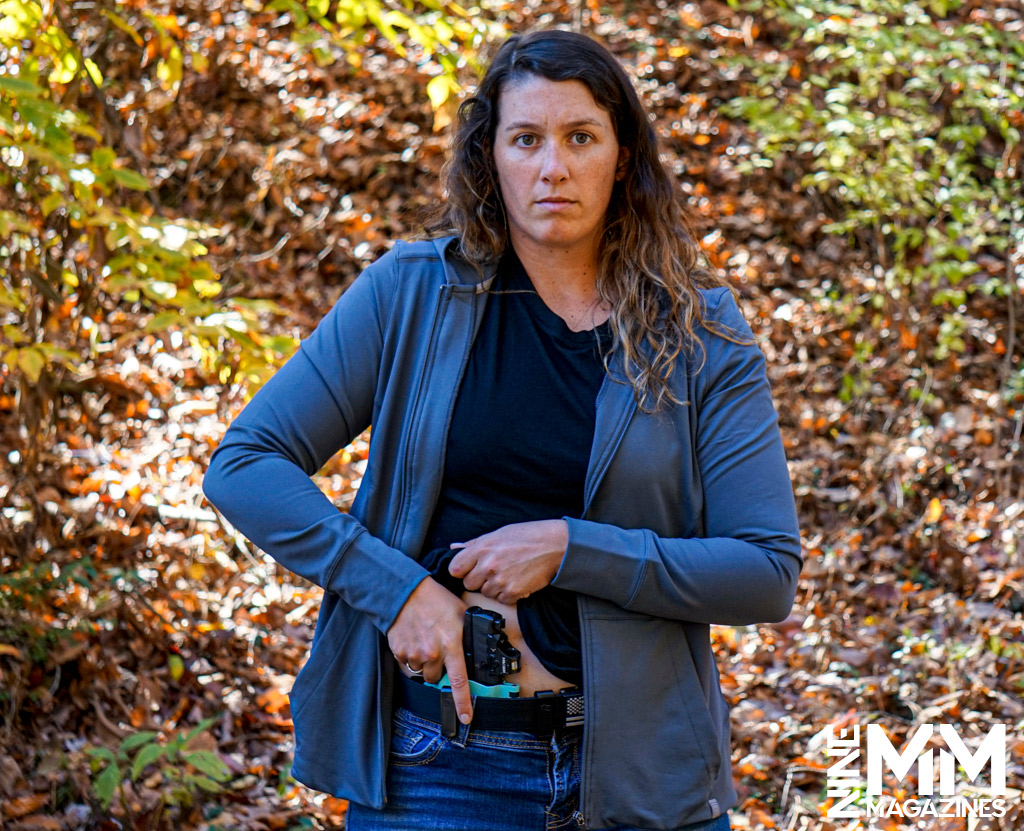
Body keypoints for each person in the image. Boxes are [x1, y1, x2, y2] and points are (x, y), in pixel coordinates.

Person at [203, 28, 801, 831]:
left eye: (580, 137)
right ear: (492, 157)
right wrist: (397, 588)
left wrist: (570, 546)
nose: (552, 167)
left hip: (643, 778)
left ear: (622, 156)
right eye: (526, 139)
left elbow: (763, 570)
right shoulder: (410, 295)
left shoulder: (698, 331)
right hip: (440, 769)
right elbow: (244, 464)